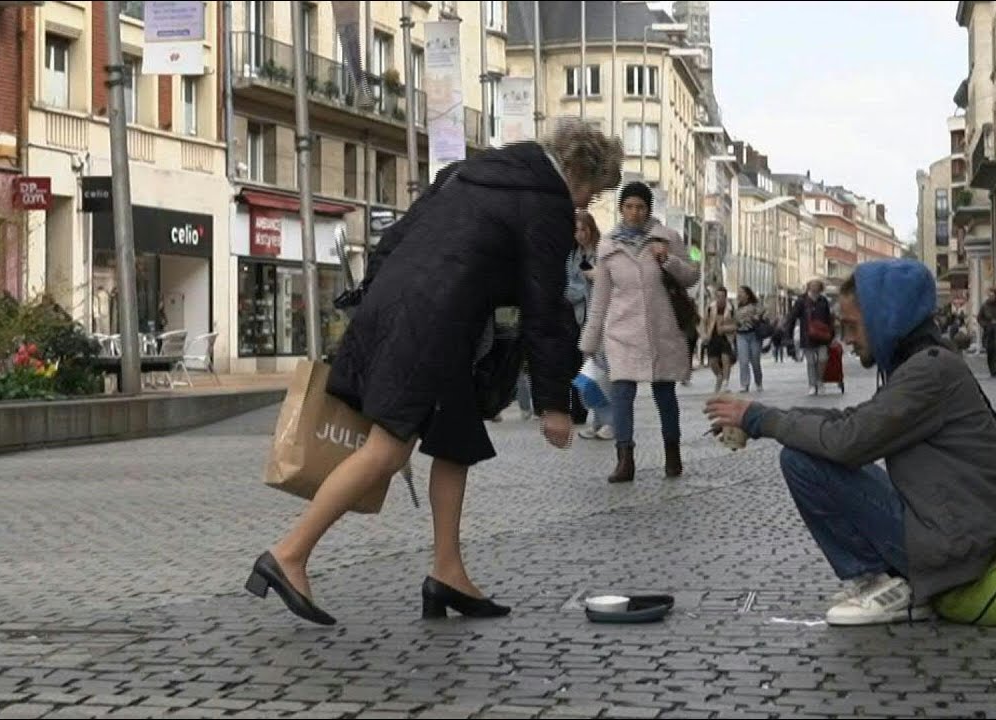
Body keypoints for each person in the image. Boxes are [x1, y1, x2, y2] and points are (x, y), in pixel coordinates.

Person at [248, 124, 624, 625]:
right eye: (591, 192)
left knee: (455, 441)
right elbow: (544, 305)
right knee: (387, 449)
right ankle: (289, 554)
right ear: (577, 170)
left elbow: (393, 240)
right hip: (434, 326)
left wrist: (375, 306)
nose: (585, 203)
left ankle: (448, 571)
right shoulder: (545, 202)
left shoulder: (465, 172)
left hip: (410, 315)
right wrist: (555, 403)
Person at [705, 259, 996, 626]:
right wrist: (760, 415)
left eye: (853, 326)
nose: (849, 338)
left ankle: (886, 582)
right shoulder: (924, 362)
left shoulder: (929, 371)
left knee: (802, 462)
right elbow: (852, 421)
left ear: (885, 319)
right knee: (805, 453)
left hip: (962, 546)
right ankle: (889, 578)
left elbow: (848, 441)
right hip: (956, 527)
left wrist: (759, 418)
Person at [580, 181, 700, 484]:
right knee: (621, 394)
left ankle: (672, 454)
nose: (634, 213)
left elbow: (691, 277)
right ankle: (625, 459)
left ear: (648, 210)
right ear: (621, 208)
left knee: (664, 394)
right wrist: (590, 341)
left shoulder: (668, 238)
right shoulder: (608, 245)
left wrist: (667, 259)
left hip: (662, 330)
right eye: (629, 206)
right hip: (622, 333)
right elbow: (601, 298)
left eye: (640, 207)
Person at [571, 212, 614, 441]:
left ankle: (610, 423)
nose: (579, 235)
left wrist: (593, 275)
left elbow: (609, 280)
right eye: (576, 231)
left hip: (604, 322)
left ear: (591, 229)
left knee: (604, 374)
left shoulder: (601, 251)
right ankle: (597, 421)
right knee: (588, 376)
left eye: (583, 230)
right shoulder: (578, 255)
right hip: (585, 321)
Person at [785, 280, 835, 395]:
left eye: (817, 285)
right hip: (808, 336)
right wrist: (789, 335)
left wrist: (831, 335)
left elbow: (829, 319)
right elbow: (792, 317)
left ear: (820, 287)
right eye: (812, 285)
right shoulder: (801, 301)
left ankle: (820, 381)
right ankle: (812, 385)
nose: (814, 287)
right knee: (811, 362)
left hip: (823, 336)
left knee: (823, 359)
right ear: (808, 287)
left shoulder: (823, 301)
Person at [702, 287, 738, 393]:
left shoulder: (731, 308)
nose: (720, 298)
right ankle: (720, 375)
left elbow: (736, 324)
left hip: (726, 337)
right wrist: (704, 335)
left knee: (726, 360)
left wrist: (727, 328)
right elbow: (704, 321)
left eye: (722, 296)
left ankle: (725, 384)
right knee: (713, 362)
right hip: (712, 337)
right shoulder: (710, 307)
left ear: (726, 297)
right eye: (718, 296)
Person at [734, 286, 767, 393]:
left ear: (747, 294)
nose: (739, 294)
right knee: (743, 361)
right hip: (741, 334)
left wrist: (755, 317)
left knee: (755, 361)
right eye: (738, 292)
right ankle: (744, 384)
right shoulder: (735, 306)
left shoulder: (755, 305)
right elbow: (733, 320)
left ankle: (758, 382)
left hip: (754, 334)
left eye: (742, 292)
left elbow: (763, 314)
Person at [977, 288, 996, 378]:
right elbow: (980, 318)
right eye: (989, 296)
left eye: (992, 295)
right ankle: (991, 369)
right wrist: (985, 324)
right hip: (988, 331)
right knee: (990, 350)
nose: (991, 297)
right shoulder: (984, 306)